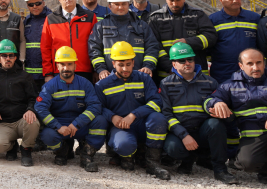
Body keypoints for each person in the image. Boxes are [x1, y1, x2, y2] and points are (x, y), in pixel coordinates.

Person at [160, 43, 237, 184]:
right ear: (174, 64)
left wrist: (220, 109)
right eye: (182, 60)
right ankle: (188, 160)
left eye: (190, 59)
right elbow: (166, 114)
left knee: (216, 124)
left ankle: (220, 169)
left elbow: (227, 113)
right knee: (172, 147)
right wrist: (184, 135)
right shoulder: (166, 84)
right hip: (181, 132)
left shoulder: (210, 82)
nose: (187, 63)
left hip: (203, 131)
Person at [95, 43, 170, 180]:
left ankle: (152, 162)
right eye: (121, 65)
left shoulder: (144, 78)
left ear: (133, 63)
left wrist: (134, 114)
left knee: (158, 118)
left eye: (128, 64)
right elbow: (97, 107)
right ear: (113, 64)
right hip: (120, 126)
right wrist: (112, 117)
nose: (125, 69)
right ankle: (127, 156)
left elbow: (156, 102)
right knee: (124, 145)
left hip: (142, 123)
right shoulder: (102, 85)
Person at [35, 47, 107, 172]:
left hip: (80, 125)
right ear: (57, 66)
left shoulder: (85, 84)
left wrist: (77, 123)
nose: (66, 68)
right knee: (47, 135)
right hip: (60, 125)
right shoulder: (50, 86)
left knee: (100, 121)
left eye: (69, 64)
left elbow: (95, 106)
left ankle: (87, 154)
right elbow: (40, 108)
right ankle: (62, 151)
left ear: (75, 65)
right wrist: (57, 126)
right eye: (62, 64)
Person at [207, 48, 267, 183]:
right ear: (241, 66)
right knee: (247, 162)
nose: (255, 67)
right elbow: (209, 99)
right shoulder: (230, 85)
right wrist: (217, 103)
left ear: (264, 63)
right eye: (250, 63)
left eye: (259, 62)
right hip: (253, 137)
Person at [148, 0, 216, 81]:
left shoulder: (197, 15)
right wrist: (170, 67)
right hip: (167, 76)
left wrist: (188, 42)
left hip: (197, 76)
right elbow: (155, 46)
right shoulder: (156, 18)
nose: (175, 4)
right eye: (171, 0)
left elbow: (211, 37)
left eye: (178, 0)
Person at [88, 0, 160, 80]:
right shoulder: (100, 27)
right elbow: (94, 50)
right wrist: (101, 69)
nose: (120, 7)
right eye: (116, 4)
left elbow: (152, 46)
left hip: (138, 77)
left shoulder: (141, 25)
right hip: (110, 78)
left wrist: (148, 66)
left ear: (128, 4)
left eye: (123, 4)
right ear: (109, 6)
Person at [0, 40, 39, 166]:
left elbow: (34, 97)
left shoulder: (25, 76)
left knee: (33, 122)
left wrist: (30, 109)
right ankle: (12, 146)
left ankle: (26, 150)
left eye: (11, 55)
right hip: (4, 123)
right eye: (4, 56)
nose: (8, 58)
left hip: (22, 120)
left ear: (15, 57)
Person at [41, 0, 97, 83]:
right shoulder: (51, 19)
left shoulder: (90, 17)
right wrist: (48, 73)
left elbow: (96, 45)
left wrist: (96, 70)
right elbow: (45, 48)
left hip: (84, 70)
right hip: (60, 70)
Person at [209, 0, 260, 84]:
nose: (235, 0)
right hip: (223, 74)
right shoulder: (212, 20)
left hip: (250, 73)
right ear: (221, 0)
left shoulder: (254, 18)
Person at [23, 0, 52, 92]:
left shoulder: (51, 19)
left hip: (47, 75)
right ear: (27, 6)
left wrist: (49, 73)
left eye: (38, 3)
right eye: (31, 4)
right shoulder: (26, 21)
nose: (34, 6)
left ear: (43, 2)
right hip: (29, 75)